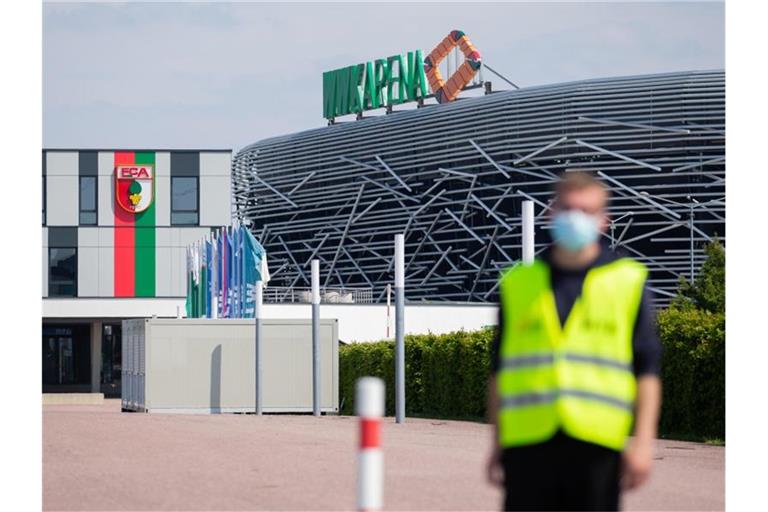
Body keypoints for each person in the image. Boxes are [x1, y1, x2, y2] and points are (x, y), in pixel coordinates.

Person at [486, 170, 662, 511]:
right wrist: (497, 442)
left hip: (596, 442)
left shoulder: (627, 282)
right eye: (567, 208)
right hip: (528, 443)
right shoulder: (519, 283)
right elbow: (499, 370)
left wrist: (643, 444)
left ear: (604, 220)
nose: (574, 218)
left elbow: (647, 369)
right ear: (551, 214)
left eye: (585, 210)